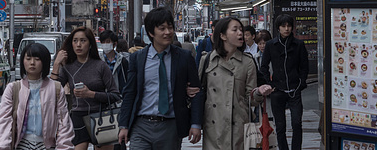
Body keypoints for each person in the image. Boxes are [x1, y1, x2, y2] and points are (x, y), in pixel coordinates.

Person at [118, 8, 204, 150]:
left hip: (170, 126)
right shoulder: (138, 58)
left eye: (170, 28)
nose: (168, 32)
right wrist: (123, 125)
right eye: (162, 28)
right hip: (141, 125)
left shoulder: (184, 57)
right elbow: (130, 93)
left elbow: (196, 92)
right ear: (151, 32)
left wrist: (195, 124)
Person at [198, 16, 273, 150]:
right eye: (235, 30)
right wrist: (195, 124)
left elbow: (251, 99)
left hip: (238, 126)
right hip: (213, 127)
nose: (240, 33)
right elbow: (200, 92)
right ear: (222, 35)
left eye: (241, 29)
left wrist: (259, 92)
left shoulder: (247, 62)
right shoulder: (208, 59)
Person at [0, 43, 74, 149]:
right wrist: (1, 147)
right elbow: (4, 120)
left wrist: (64, 147)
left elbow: (64, 122)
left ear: (44, 62)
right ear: (23, 61)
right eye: (28, 58)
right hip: (22, 144)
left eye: (37, 59)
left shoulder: (56, 88)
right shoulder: (13, 88)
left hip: (48, 146)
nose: (32, 63)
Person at [51, 26, 121, 150]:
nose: (78, 45)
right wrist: (56, 64)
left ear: (90, 44)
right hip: (78, 116)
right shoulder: (68, 67)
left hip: (101, 115)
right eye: (75, 41)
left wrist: (91, 94)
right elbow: (52, 92)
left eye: (83, 41)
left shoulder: (101, 66)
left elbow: (115, 95)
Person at [260, 14, 309, 150]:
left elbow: (304, 66)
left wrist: (302, 82)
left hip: (295, 89)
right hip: (277, 90)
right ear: (278, 28)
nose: (286, 29)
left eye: (289, 26)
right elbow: (263, 66)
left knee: (297, 123)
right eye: (283, 26)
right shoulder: (271, 45)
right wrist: (270, 84)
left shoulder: (299, 44)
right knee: (280, 125)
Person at [99, 30, 129, 97]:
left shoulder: (122, 61)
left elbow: (127, 80)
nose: (105, 44)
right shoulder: (98, 60)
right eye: (103, 42)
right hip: (102, 97)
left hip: (119, 98)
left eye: (108, 42)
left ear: (114, 44)